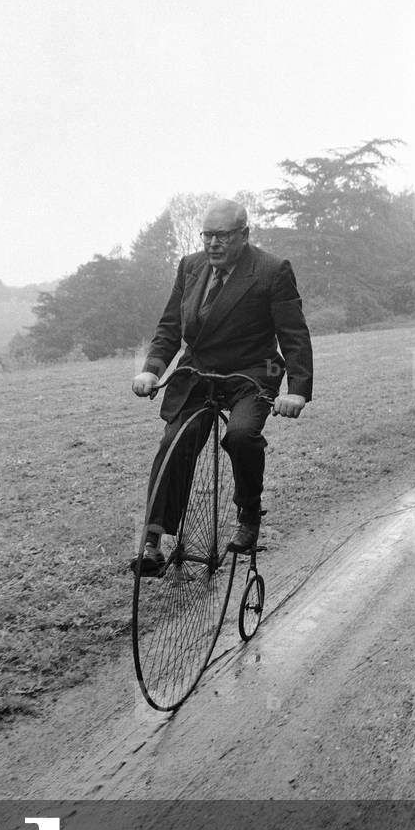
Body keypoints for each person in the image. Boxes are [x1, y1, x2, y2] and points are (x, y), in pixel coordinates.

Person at [132, 198, 313, 573]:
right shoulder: (190, 266)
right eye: (207, 235)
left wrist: (296, 389)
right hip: (199, 371)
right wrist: (152, 370)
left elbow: (293, 335)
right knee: (174, 444)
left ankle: (249, 513)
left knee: (241, 435)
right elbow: (170, 328)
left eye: (222, 235)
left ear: (244, 234)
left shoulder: (271, 270)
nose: (213, 243)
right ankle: (152, 542)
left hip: (251, 371)